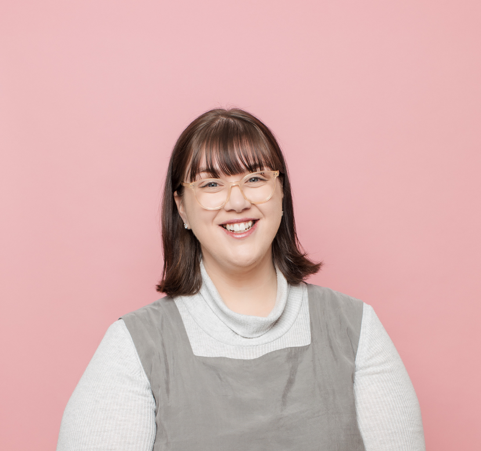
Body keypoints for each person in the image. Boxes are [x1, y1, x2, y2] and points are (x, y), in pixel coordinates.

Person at [56, 108, 426, 450]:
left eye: (255, 178)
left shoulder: (356, 330)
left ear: (282, 194)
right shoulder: (133, 347)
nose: (237, 201)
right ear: (181, 206)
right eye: (211, 184)